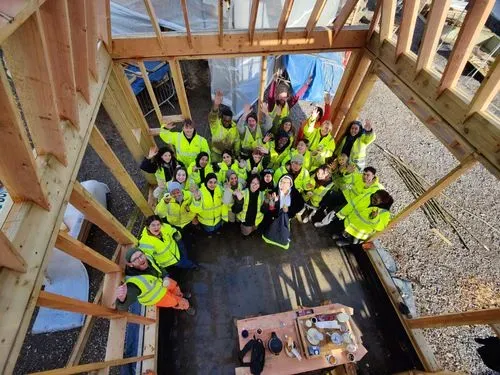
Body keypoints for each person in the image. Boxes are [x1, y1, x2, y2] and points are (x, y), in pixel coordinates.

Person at [115, 247, 194, 314]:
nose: (140, 259)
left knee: (175, 286)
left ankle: (180, 294)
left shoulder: (148, 258)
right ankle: (186, 307)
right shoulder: (133, 283)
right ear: (131, 264)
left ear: (144, 254)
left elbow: (158, 267)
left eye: (140, 255)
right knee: (176, 301)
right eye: (135, 259)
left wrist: (165, 275)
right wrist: (122, 299)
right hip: (159, 297)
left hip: (163, 282)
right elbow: (122, 307)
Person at [314, 166, 383, 227]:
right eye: (364, 174)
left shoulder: (375, 189)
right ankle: (319, 209)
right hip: (345, 194)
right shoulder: (359, 176)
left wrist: (366, 187)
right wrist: (347, 173)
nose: (365, 176)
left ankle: (323, 223)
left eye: (368, 175)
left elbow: (364, 198)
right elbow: (346, 180)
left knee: (335, 211)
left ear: (373, 176)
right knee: (330, 195)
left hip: (351, 203)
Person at [328, 189, 393, 247]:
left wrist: (375, 218)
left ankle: (346, 242)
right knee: (343, 232)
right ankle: (341, 236)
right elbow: (352, 205)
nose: (373, 200)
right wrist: (341, 214)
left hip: (359, 234)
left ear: (382, 202)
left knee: (353, 240)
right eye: (373, 197)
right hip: (349, 224)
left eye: (376, 200)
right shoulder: (366, 196)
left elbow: (380, 227)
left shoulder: (384, 213)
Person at [208, 90, 240, 161]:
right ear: (221, 118)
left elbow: (237, 141)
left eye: (229, 121)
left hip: (228, 154)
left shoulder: (234, 128)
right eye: (224, 120)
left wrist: (237, 154)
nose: (226, 122)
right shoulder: (216, 125)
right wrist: (216, 105)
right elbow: (212, 117)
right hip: (216, 153)